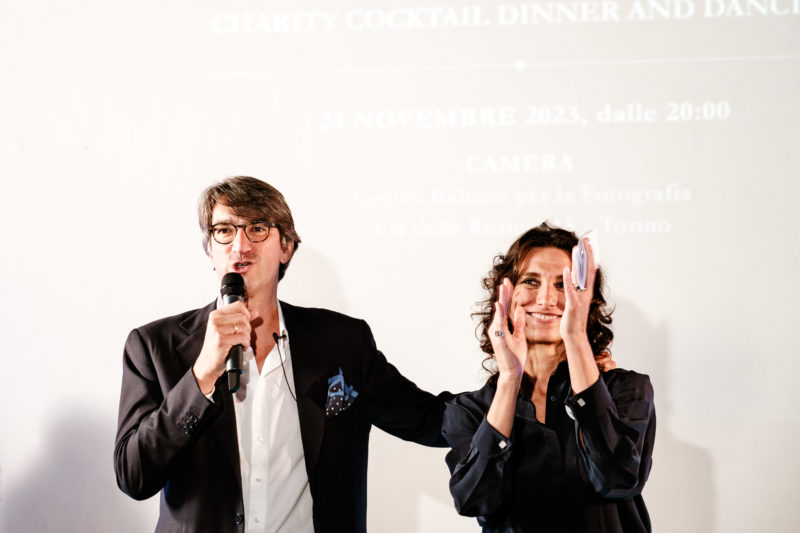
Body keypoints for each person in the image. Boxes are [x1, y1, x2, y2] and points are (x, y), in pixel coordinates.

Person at [114, 176, 450, 533]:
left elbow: (429, 418)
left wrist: (496, 396)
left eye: (257, 229)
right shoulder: (154, 346)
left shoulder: (344, 343)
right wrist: (201, 376)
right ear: (210, 249)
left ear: (286, 247)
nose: (240, 246)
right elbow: (134, 476)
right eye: (224, 231)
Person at [442, 222, 655, 532]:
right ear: (505, 295)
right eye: (531, 281)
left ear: (586, 298)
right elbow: (476, 500)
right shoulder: (469, 411)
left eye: (562, 285)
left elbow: (616, 479)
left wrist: (576, 338)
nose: (546, 299)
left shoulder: (626, 390)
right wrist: (509, 380)